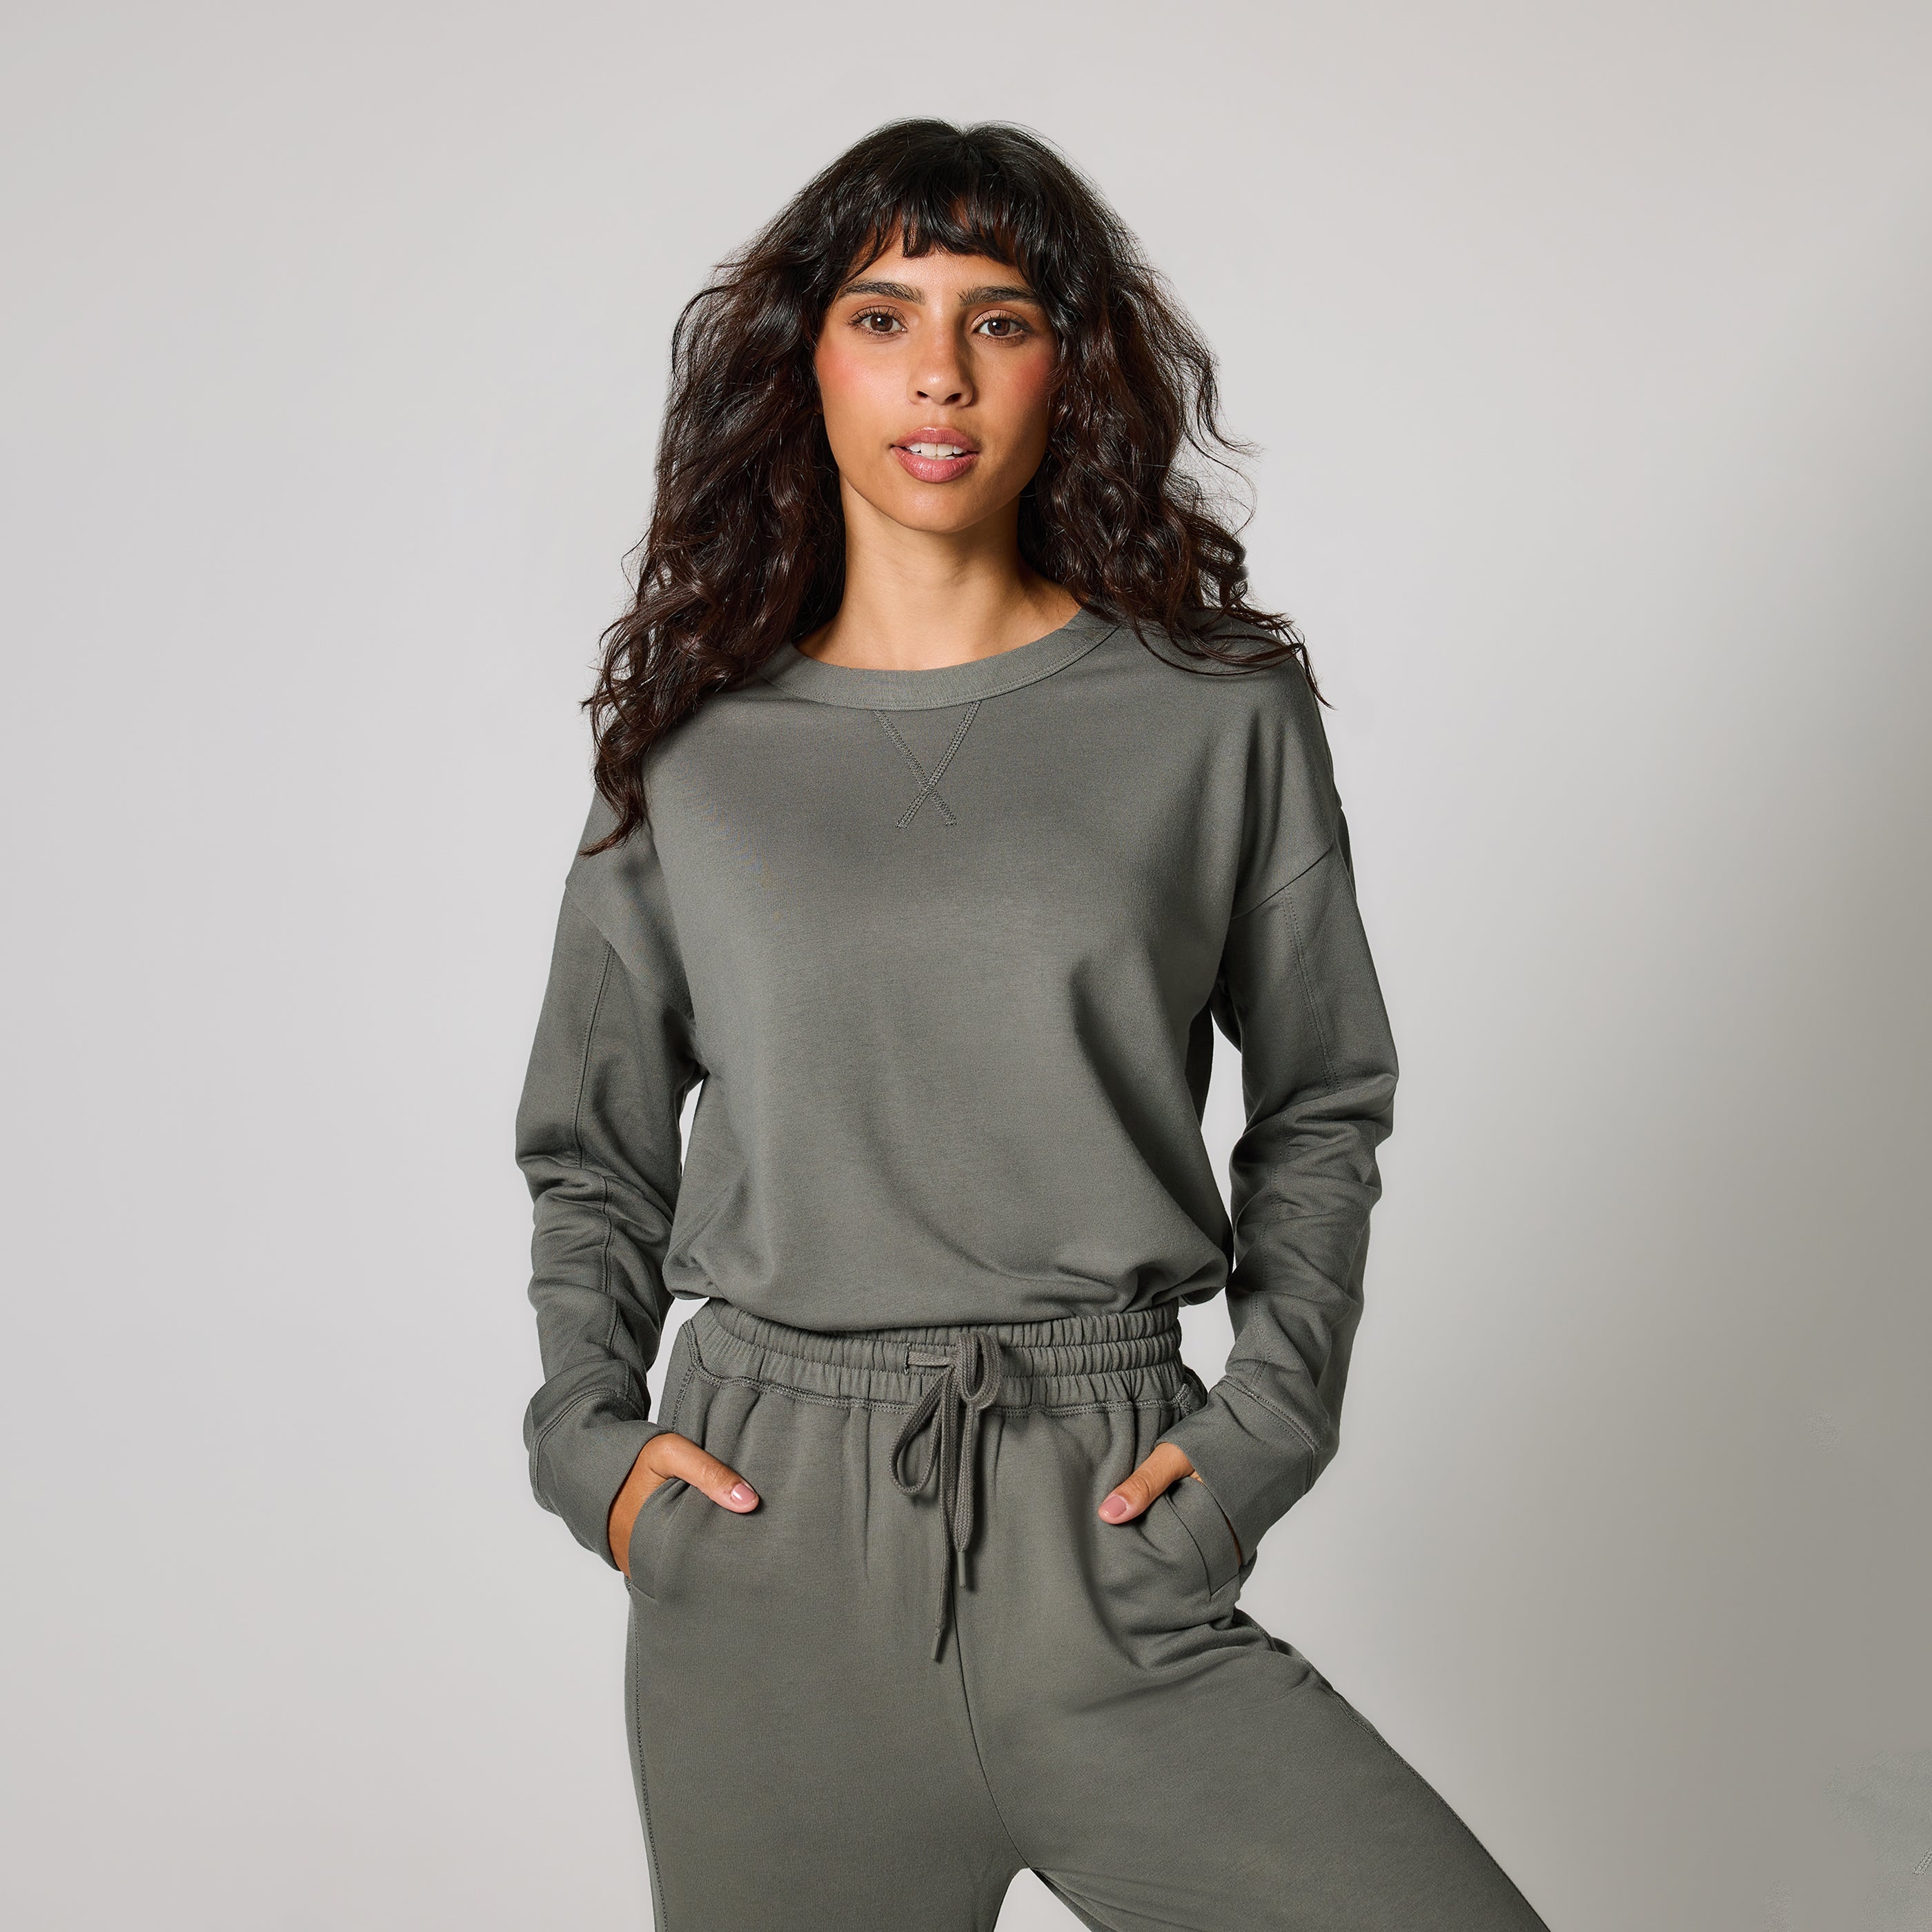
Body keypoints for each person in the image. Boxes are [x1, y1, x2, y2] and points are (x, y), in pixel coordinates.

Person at [514, 117, 1550, 1932]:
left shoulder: (1213, 712)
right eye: (882, 316)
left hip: (1108, 1515)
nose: (940, 372)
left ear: (1070, 365)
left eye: (998, 320)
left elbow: (1323, 1099)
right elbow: (591, 1148)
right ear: (806, 361)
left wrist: (1266, 1430)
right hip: (770, 1555)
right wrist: (590, 1451)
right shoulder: (694, 745)